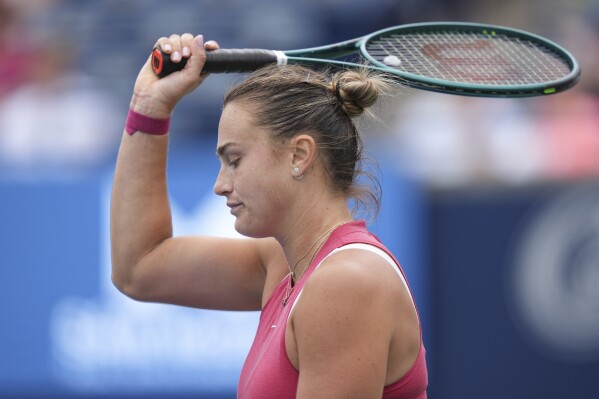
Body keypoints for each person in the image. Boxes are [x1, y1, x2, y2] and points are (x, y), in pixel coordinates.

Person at [111, 33, 428, 398]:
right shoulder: (286, 265)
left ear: (299, 155)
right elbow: (139, 268)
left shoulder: (345, 283)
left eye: (235, 160)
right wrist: (148, 104)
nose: (220, 185)